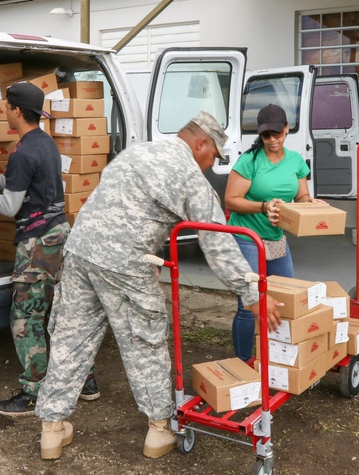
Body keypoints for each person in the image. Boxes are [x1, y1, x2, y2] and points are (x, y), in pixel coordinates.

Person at [34, 112, 282, 461]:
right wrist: (251, 294)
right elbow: (218, 241)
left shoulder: (138, 152)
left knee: (70, 339)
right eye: (214, 156)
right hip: (126, 262)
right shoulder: (188, 175)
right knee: (143, 341)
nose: (212, 165)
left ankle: (52, 429)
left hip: (79, 250)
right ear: (201, 144)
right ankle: (158, 430)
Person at [0, 82, 98, 417]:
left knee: (26, 316)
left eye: (6, 107)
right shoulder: (45, 144)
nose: (4, 111)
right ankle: (84, 379)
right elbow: (30, 188)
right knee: (63, 311)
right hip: (59, 232)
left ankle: (34, 391)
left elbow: (11, 206)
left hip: (37, 243)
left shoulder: (22, 152)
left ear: (15, 111)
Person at [225, 103, 316, 360]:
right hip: (247, 238)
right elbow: (231, 200)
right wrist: (263, 206)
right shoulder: (249, 161)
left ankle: (280, 359)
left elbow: (302, 196)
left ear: (287, 129)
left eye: (277, 133)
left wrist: (311, 204)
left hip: (276, 239)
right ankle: (243, 361)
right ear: (260, 134)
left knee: (286, 298)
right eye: (267, 135)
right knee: (248, 305)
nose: (273, 139)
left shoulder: (296, 161)